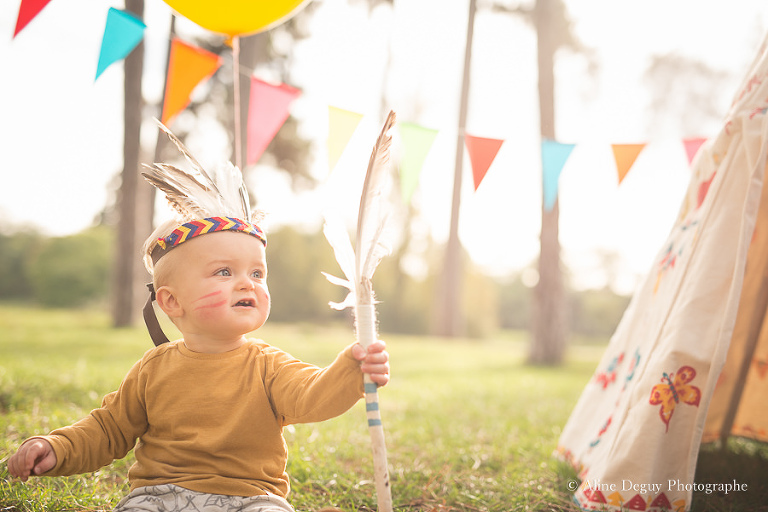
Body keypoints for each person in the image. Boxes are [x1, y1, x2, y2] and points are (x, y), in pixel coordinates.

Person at [7, 214, 390, 511]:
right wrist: (56, 446)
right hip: (159, 496)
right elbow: (108, 428)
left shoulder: (267, 365)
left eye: (257, 273)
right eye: (225, 272)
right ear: (172, 301)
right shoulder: (153, 368)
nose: (247, 283)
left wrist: (350, 370)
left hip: (251, 497)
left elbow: (311, 395)